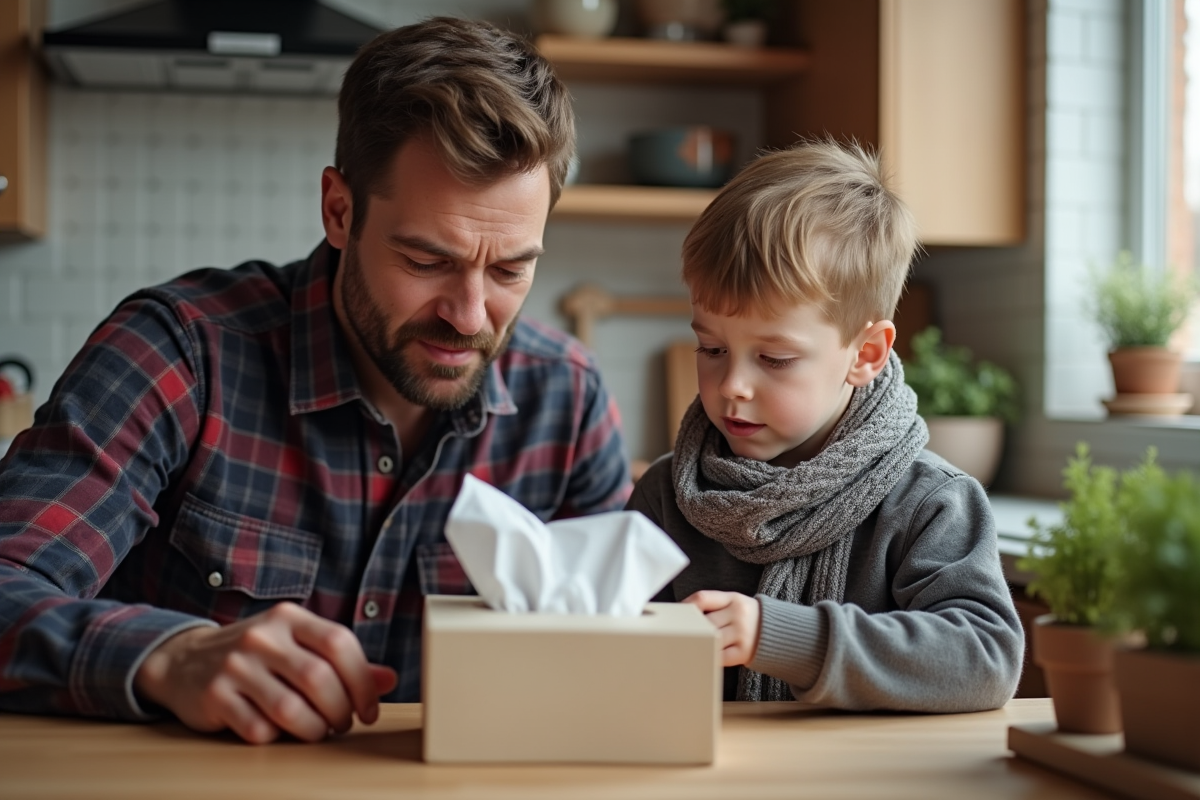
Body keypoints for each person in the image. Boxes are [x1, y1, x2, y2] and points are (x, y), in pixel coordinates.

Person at [0, 17, 631, 743]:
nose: (468, 315)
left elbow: (616, 657)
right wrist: (168, 656)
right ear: (339, 210)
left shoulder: (568, 400)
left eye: (511, 270)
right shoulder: (180, 352)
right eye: (426, 262)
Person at [628, 140, 1023, 709]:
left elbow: (985, 658)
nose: (733, 384)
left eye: (774, 359)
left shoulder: (931, 503)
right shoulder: (667, 497)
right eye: (711, 348)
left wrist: (786, 637)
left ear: (866, 354)